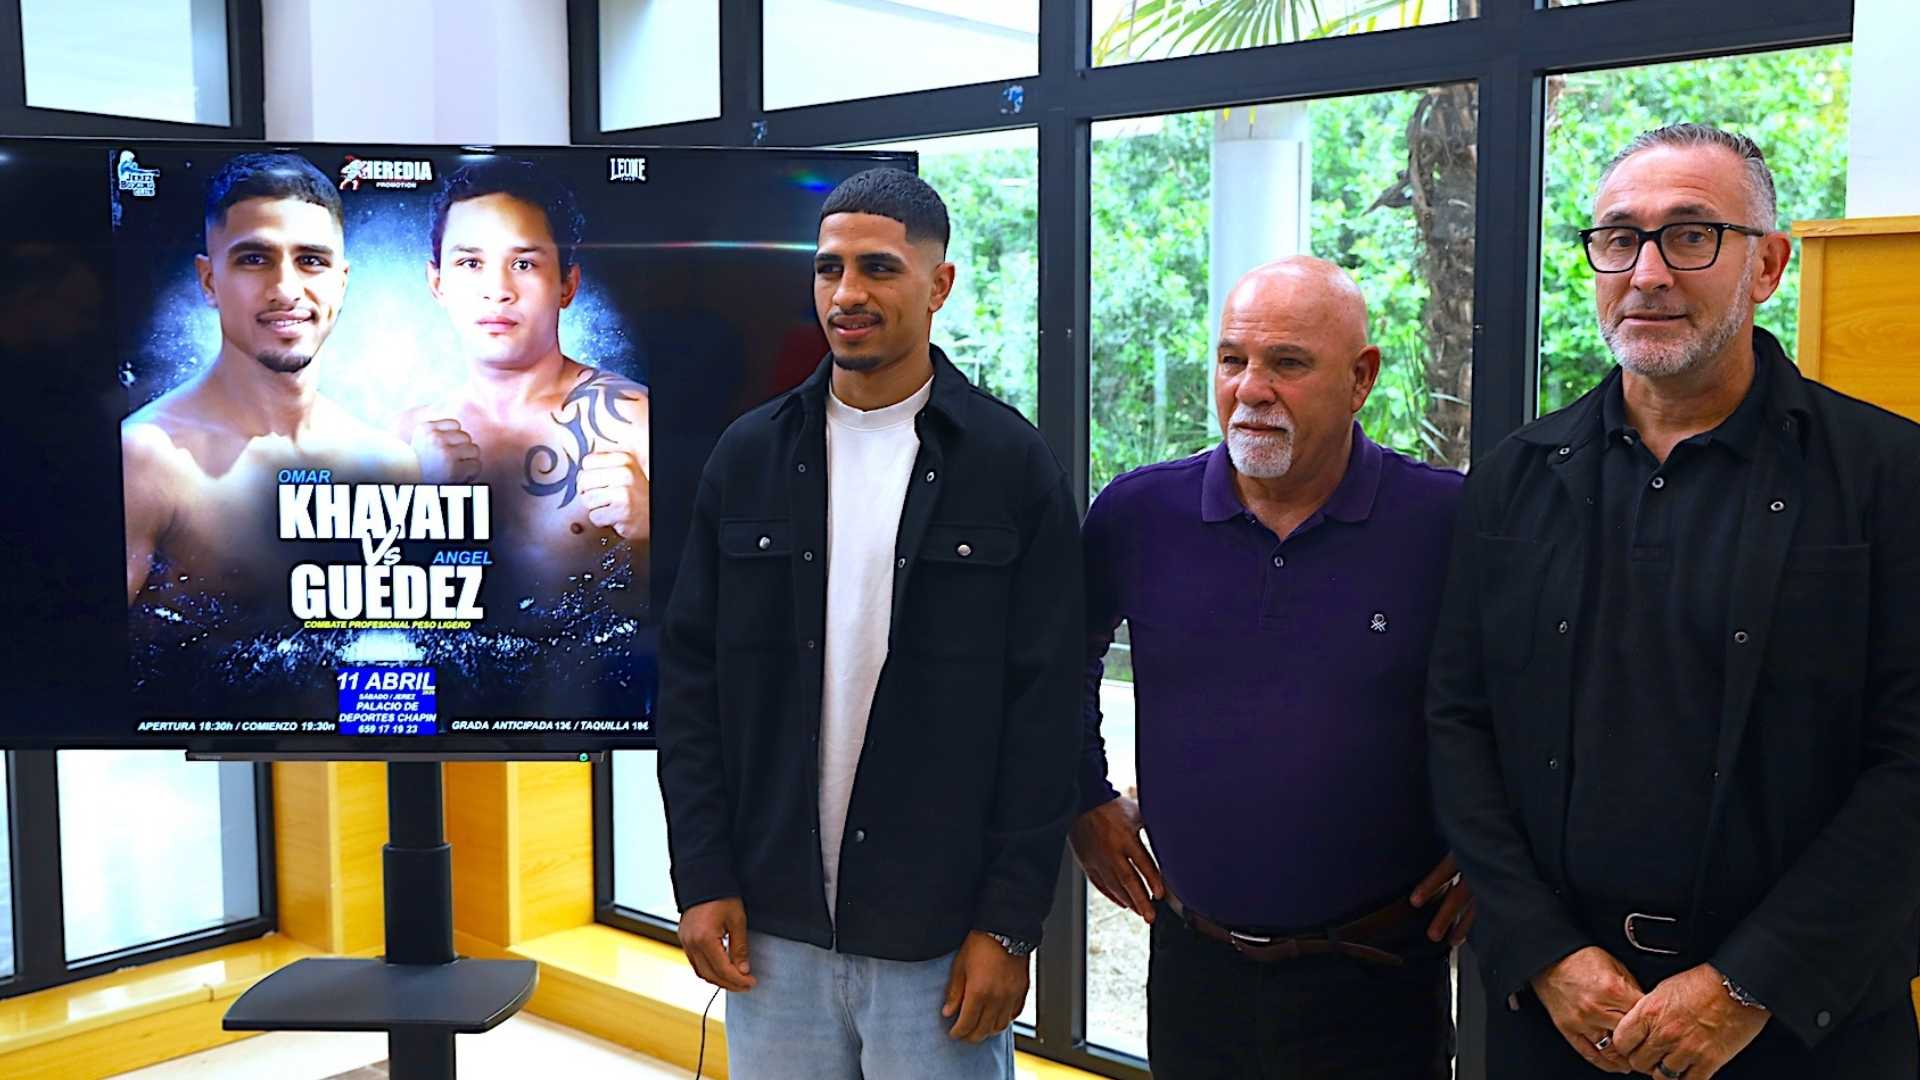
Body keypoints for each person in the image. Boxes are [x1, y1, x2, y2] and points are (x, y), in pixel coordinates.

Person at [1429, 123, 1920, 1079]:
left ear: (1767, 265)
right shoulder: (1513, 480)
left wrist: (1746, 987)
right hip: (1563, 1023)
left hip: (1803, 1028)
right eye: (1619, 239)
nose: (1646, 273)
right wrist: (1547, 954)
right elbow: (1458, 724)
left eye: (1691, 236)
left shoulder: (1887, 476)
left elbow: (1911, 763)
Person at [655, 167, 1080, 1079]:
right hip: (773, 929)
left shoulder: (1010, 466)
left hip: (937, 938)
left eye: (879, 268)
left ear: (939, 284)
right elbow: (690, 687)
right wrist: (702, 873)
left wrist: (1009, 925)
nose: (847, 293)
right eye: (829, 268)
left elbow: (1046, 714)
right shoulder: (748, 456)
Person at [1073, 257, 1472, 1079]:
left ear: (1360, 378)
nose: (1251, 389)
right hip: (1194, 969)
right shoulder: (1140, 514)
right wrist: (1082, 795)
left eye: (1287, 363)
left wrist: (1494, 847)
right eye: (1233, 360)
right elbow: (1054, 666)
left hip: (1380, 977)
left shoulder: (1444, 522)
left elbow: (1530, 694)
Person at [123, 152, 414, 606]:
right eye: (255, 259)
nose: (286, 290)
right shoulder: (147, 458)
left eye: (311, 260)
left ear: (341, 282)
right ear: (209, 281)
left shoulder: (388, 463)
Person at [403, 159, 651, 601]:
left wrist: (653, 525)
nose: (497, 290)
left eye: (523, 263)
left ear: (567, 285)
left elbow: (709, 597)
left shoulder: (634, 422)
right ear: (437, 283)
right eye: (470, 262)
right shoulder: (407, 438)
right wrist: (418, 505)